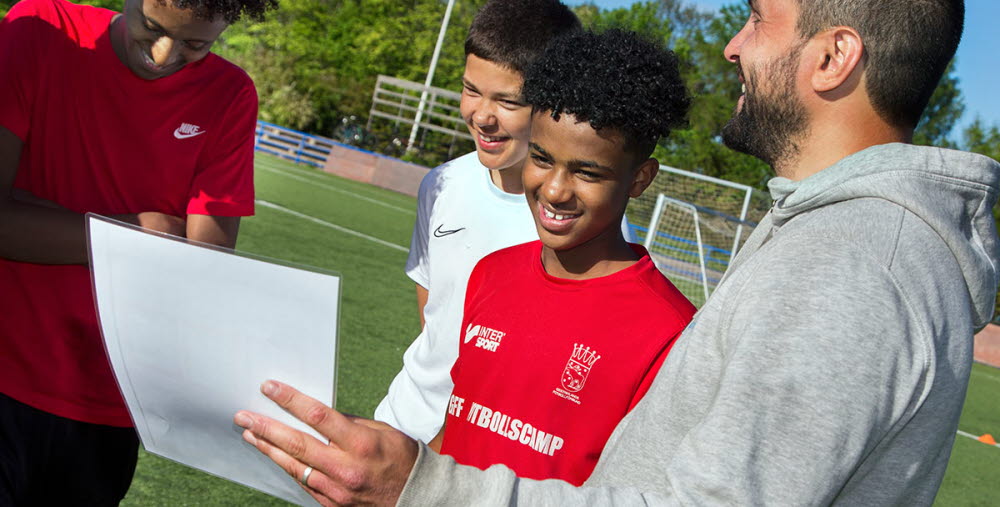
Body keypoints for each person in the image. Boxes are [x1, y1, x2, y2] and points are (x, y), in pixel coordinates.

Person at [235, 0, 1000, 504]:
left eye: (759, 19)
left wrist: (425, 488)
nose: (733, 47)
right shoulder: (840, 238)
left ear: (834, 57)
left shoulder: (854, 267)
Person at [0, 0, 275, 503]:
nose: (165, 54)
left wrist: (46, 217)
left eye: (197, 44)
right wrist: (131, 233)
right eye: (150, 27)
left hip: (110, 406)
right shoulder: (37, 30)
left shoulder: (230, 94)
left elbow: (201, 267)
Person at [421, 28, 694, 487]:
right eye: (542, 158)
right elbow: (457, 428)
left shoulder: (671, 336)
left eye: (587, 172)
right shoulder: (492, 273)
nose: (553, 190)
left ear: (640, 179)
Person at [373, 0, 584, 443]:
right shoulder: (441, 183)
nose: (482, 116)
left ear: (554, 103)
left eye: (507, 101)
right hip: (400, 424)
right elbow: (434, 318)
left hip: (479, 453)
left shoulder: (582, 224)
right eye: (472, 90)